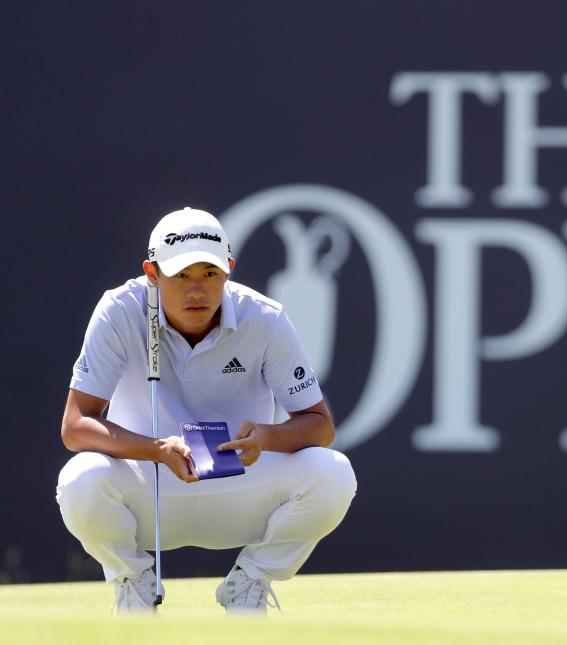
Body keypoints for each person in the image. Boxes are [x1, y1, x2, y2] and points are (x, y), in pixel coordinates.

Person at [56, 207, 357, 614]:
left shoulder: (264, 318)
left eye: (210, 275)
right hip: (150, 485)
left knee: (334, 472)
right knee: (80, 479)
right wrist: (157, 449)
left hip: (241, 484)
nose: (196, 291)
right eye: (181, 276)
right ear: (152, 272)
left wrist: (267, 437)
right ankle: (135, 583)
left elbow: (320, 426)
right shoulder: (119, 311)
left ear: (229, 269)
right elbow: (76, 427)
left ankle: (248, 583)